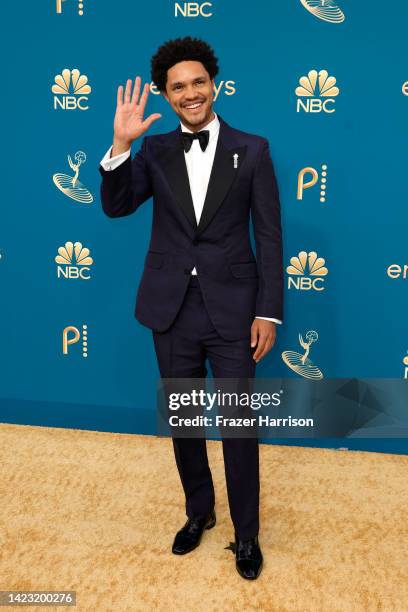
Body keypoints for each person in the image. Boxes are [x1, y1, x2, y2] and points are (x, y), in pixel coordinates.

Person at [99, 36, 283, 580]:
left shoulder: (253, 149)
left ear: (215, 85)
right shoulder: (153, 151)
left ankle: (245, 534)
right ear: (166, 94)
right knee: (183, 421)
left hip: (234, 313)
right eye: (177, 87)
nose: (190, 93)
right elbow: (117, 207)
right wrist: (119, 144)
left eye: (198, 82)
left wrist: (268, 312)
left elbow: (269, 237)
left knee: (238, 427)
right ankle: (198, 512)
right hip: (171, 311)